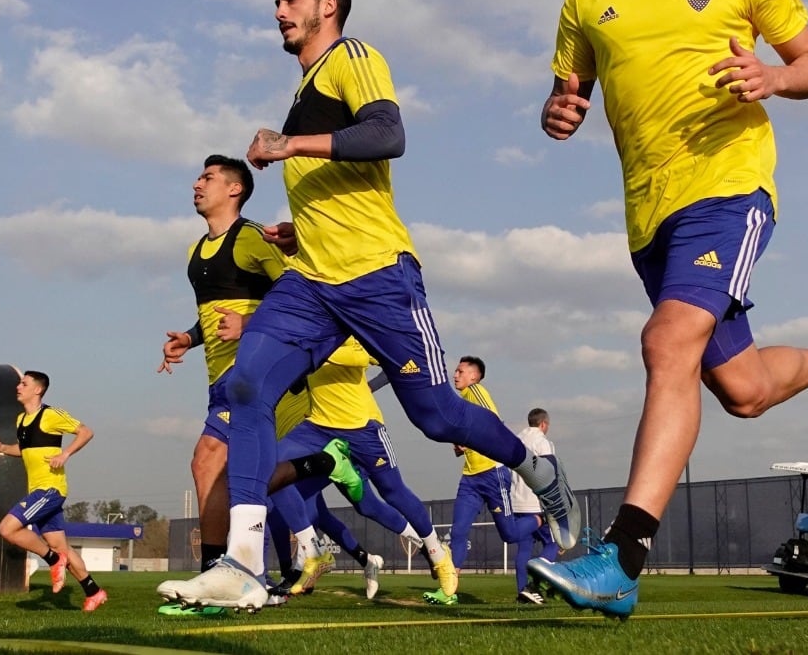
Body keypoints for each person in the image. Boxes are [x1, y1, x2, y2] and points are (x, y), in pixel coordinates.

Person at [529, 0, 808, 618]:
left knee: (667, 342)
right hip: (647, 215)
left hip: (729, 187)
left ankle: (623, 556)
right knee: (743, 389)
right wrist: (559, 112)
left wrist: (774, 76)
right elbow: (567, 90)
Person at [161, 0, 579, 610]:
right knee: (247, 385)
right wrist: (301, 233)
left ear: (328, 6)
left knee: (437, 416)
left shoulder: (353, 57)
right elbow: (338, 186)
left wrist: (289, 143)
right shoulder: (304, 87)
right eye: (276, 1)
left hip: (377, 273)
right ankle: (242, 564)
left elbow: (388, 134)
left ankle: (534, 466)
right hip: (311, 282)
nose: (278, 10)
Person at [155, 155, 364, 614]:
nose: (196, 184)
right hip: (219, 378)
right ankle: (322, 465)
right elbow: (217, 313)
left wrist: (249, 324)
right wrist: (189, 338)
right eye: (198, 177)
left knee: (207, 460)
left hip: (257, 372)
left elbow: (295, 296)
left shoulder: (251, 237)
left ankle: (219, 582)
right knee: (243, 477)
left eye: (208, 178)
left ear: (235, 189)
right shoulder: (196, 252)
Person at [274, 348, 456, 601]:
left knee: (389, 494)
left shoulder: (348, 331)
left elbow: (365, 358)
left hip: (362, 427)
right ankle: (314, 552)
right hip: (318, 428)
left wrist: (316, 353)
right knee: (271, 471)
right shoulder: (302, 334)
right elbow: (294, 384)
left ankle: (437, 552)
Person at [0, 371, 107, 612]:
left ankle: (52, 559)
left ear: (37, 390)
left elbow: (86, 432)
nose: (18, 387)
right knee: (62, 548)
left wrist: (65, 454)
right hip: (38, 490)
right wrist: (2, 448)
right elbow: (24, 449)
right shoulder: (21, 420)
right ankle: (94, 592)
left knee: (7, 528)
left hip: (50, 490)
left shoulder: (51, 415)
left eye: (24, 383)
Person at [423, 357, 541, 606]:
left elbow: (493, 421)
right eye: (455, 371)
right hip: (470, 478)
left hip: (493, 474)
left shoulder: (475, 391)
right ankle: (449, 590)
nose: (455, 375)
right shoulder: (460, 404)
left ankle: (541, 520)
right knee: (458, 531)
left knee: (509, 534)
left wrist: (470, 439)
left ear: (474, 377)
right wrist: (461, 445)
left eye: (460, 371)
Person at [510, 408, 559, 604]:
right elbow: (548, 473)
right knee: (554, 544)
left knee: (524, 549)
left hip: (517, 502)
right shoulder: (542, 442)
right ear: (543, 424)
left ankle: (523, 592)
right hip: (536, 504)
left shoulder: (516, 440)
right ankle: (534, 585)